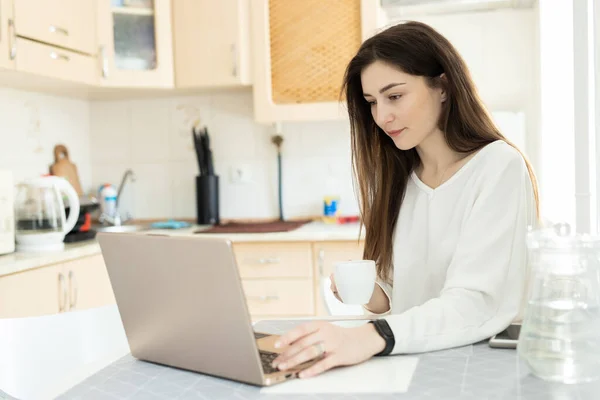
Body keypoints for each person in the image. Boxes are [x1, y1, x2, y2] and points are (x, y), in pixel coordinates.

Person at [270, 20, 539, 379]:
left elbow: (476, 304)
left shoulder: (498, 166)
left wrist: (369, 337)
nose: (382, 116)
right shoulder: (402, 178)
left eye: (394, 96)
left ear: (442, 86)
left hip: (478, 371)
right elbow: (402, 295)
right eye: (371, 103)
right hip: (414, 363)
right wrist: (370, 288)